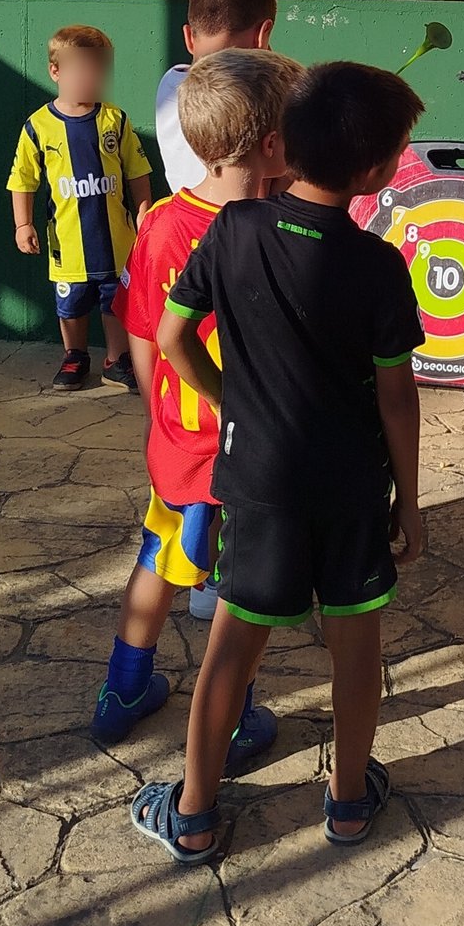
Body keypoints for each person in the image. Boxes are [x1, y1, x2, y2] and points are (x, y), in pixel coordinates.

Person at [130, 62, 427, 864]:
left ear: (283, 145)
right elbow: (398, 400)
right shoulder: (378, 266)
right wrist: (410, 499)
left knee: (233, 646)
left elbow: (168, 339)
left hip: (258, 482)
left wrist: (230, 402)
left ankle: (191, 813)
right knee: (355, 644)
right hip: (355, 486)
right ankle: (349, 799)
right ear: (378, 169)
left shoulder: (228, 232)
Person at [91, 47, 305, 749]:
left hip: (179, 443)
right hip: (252, 454)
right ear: (276, 142)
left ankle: (122, 687)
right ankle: (235, 713)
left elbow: (146, 336)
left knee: (158, 557)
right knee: (240, 594)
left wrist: (165, 414)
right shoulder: (284, 228)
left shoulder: (157, 224)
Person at [8, 24, 152, 392]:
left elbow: (136, 169)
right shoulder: (38, 126)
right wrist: (23, 224)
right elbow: (23, 179)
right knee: (71, 305)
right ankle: (75, 355)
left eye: (98, 71)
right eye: (82, 70)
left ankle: (115, 360)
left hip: (117, 241)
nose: (91, 79)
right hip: (68, 244)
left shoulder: (114, 121)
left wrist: (144, 210)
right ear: (56, 71)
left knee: (114, 301)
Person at [155, 0, 278, 195]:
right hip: (238, 227)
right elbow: (259, 190)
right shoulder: (250, 98)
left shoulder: (170, 84)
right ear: (263, 34)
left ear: (189, 37)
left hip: (187, 219)